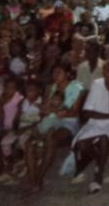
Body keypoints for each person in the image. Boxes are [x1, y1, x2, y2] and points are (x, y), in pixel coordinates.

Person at [24, 61, 84, 195]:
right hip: (50, 120)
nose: (55, 75)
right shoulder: (50, 88)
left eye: (59, 72)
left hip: (68, 122)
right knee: (29, 144)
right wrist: (54, 111)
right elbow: (43, 110)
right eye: (53, 72)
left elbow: (74, 112)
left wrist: (52, 110)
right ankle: (33, 181)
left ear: (68, 74)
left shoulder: (76, 87)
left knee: (50, 139)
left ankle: (39, 179)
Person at [71, 58, 109, 193]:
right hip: (96, 122)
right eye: (105, 68)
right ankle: (99, 159)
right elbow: (86, 112)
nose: (105, 72)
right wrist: (108, 115)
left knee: (103, 138)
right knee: (82, 145)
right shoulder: (97, 83)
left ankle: (99, 173)